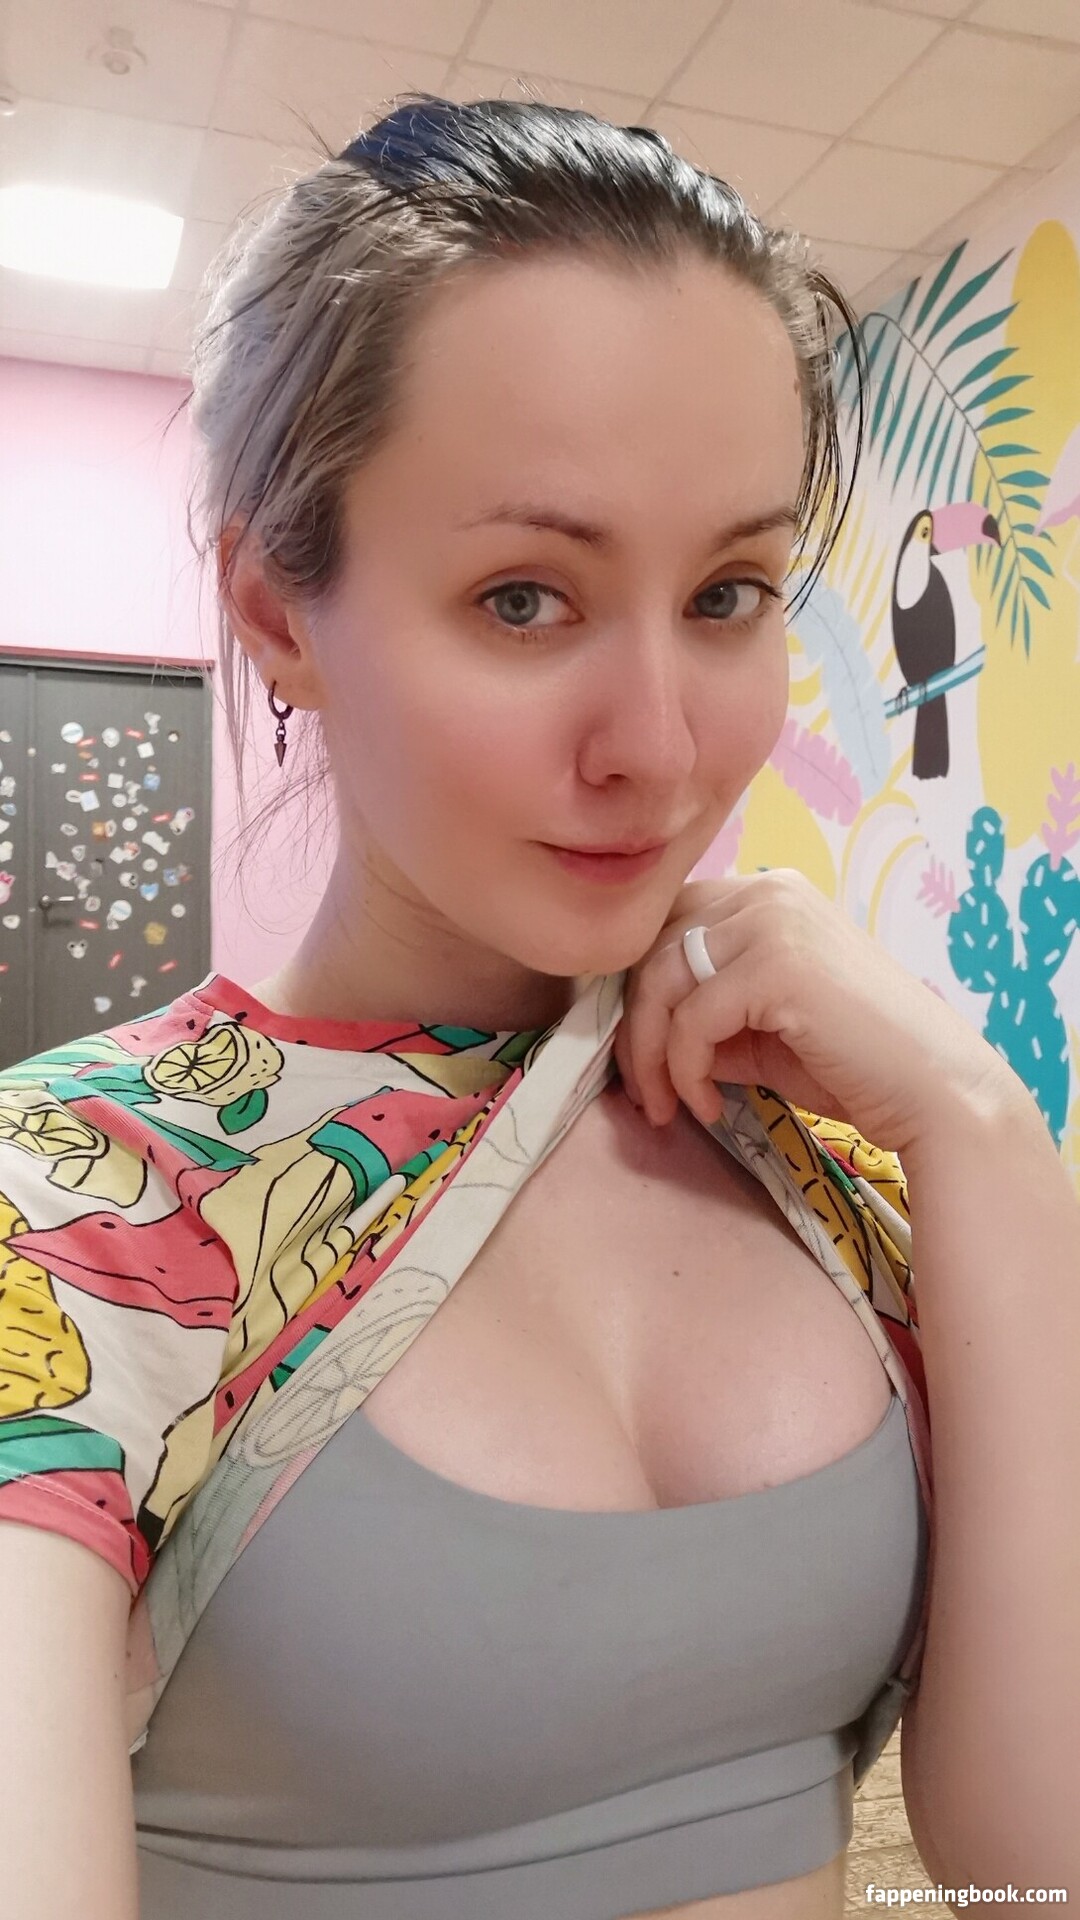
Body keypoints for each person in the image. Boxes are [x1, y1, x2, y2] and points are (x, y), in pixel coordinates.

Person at [5, 90, 1074, 1920]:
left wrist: (979, 1128)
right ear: (278, 611)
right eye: (525, 600)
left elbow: (1031, 1859)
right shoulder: (81, 1206)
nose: (658, 747)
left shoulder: (824, 1163)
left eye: (729, 593)